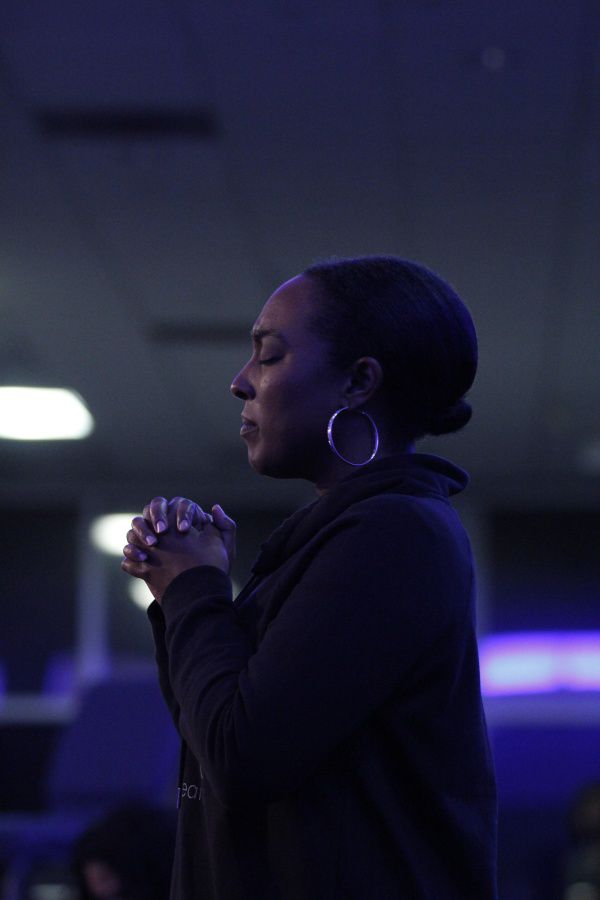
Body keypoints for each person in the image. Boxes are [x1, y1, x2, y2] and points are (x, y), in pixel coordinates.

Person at [122, 256, 498, 899]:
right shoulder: (332, 540)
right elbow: (206, 742)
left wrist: (196, 590)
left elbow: (244, 758)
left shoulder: (395, 533)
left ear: (358, 381)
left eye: (269, 355)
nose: (240, 382)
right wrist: (184, 592)